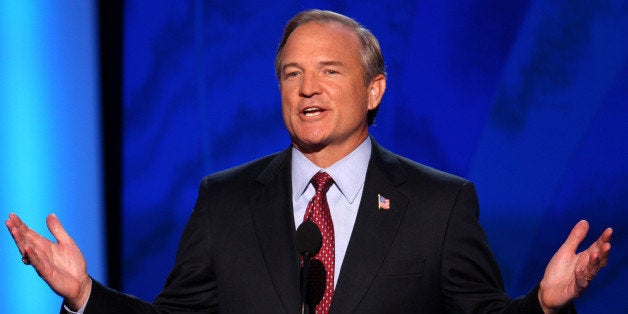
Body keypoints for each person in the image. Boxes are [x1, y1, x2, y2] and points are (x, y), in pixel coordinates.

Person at [6, 9, 612, 314]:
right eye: (292, 74)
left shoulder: (440, 204)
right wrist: (86, 293)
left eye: (329, 72)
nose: (307, 89)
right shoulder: (226, 199)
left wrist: (542, 306)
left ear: (374, 90)